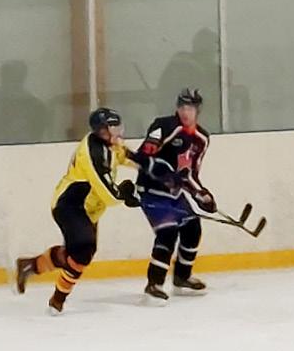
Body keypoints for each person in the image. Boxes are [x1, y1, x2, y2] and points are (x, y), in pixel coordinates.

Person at [15, 108, 141, 314]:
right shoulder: (93, 152)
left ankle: (31, 265)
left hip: (87, 209)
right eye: (113, 128)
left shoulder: (110, 145)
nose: (118, 132)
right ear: (102, 131)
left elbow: (130, 157)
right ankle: (57, 301)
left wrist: (155, 166)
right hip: (69, 205)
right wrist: (126, 193)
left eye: (118, 127)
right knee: (83, 250)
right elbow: (109, 195)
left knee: (81, 252)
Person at [136, 88, 215, 302]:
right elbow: (143, 157)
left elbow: (189, 174)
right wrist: (164, 174)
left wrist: (201, 194)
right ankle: (154, 284)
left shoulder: (202, 138)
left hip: (174, 194)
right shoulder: (163, 126)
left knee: (192, 227)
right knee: (168, 233)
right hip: (151, 190)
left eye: (190, 108)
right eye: (182, 107)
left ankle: (182, 277)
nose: (185, 112)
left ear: (198, 110)